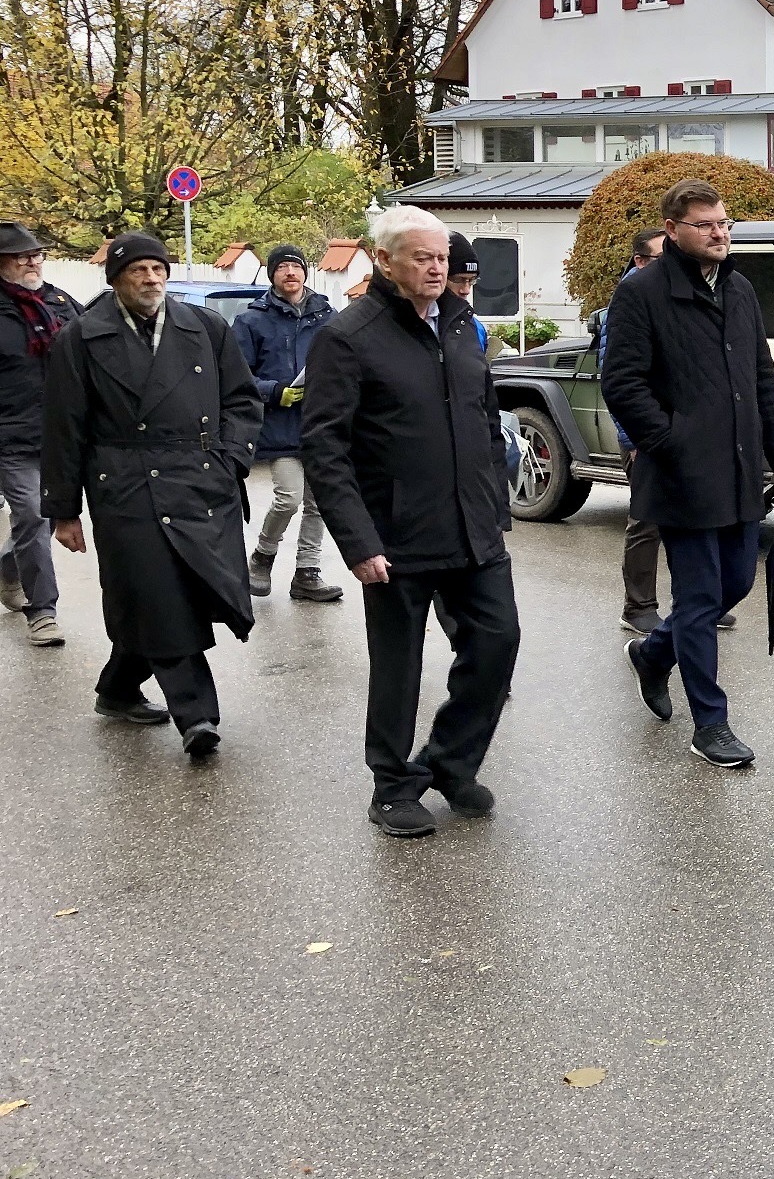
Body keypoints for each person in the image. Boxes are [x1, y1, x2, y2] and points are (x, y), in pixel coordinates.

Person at [301, 205, 520, 838]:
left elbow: (482, 417)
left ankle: (450, 762)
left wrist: (492, 503)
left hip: (472, 526)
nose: (435, 268)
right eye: (421, 258)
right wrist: (357, 541)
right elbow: (325, 446)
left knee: (496, 643)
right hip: (393, 536)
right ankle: (393, 785)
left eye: (442, 258)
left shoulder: (460, 324)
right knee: (398, 665)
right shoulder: (349, 336)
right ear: (386, 261)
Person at [40, 232, 263, 753]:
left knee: (172, 592)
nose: (151, 278)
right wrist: (63, 510)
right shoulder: (81, 337)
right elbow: (64, 427)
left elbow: (242, 400)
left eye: (158, 268)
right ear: (116, 278)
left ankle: (118, 687)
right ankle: (197, 716)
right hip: (125, 481)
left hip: (201, 479)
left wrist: (230, 459)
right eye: (139, 270)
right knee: (159, 592)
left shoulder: (205, 327)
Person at [602, 179, 774, 768]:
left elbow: (762, 376)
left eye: (724, 223)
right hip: (682, 474)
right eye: (706, 224)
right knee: (699, 595)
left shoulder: (739, 289)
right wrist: (672, 439)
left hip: (737, 469)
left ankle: (653, 653)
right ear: (673, 231)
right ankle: (710, 723)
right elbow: (622, 383)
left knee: (735, 582)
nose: (720, 233)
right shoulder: (641, 292)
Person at [232, 244, 342, 603]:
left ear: (305, 273)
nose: (290, 273)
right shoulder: (252, 321)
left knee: (320, 502)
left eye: (296, 266)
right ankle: (262, 557)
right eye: (282, 268)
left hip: (322, 424)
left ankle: (307, 573)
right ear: (272, 275)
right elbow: (236, 375)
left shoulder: (329, 316)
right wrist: (275, 392)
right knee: (289, 498)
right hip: (279, 427)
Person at [0, 222, 82, 646]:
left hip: (64, 433)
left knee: (43, 517)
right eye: (20, 256)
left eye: (37, 254)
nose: (33, 261)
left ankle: (9, 568)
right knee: (33, 515)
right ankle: (43, 611)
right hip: (13, 437)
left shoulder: (62, 304)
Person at [598, 227, 678, 636]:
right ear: (641, 261)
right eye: (664, 258)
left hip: (675, 432)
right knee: (646, 520)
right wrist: (633, 441)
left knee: (686, 518)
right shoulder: (630, 299)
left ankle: (693, 603)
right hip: (644, 437)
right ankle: (638, 607)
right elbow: (617, 379)